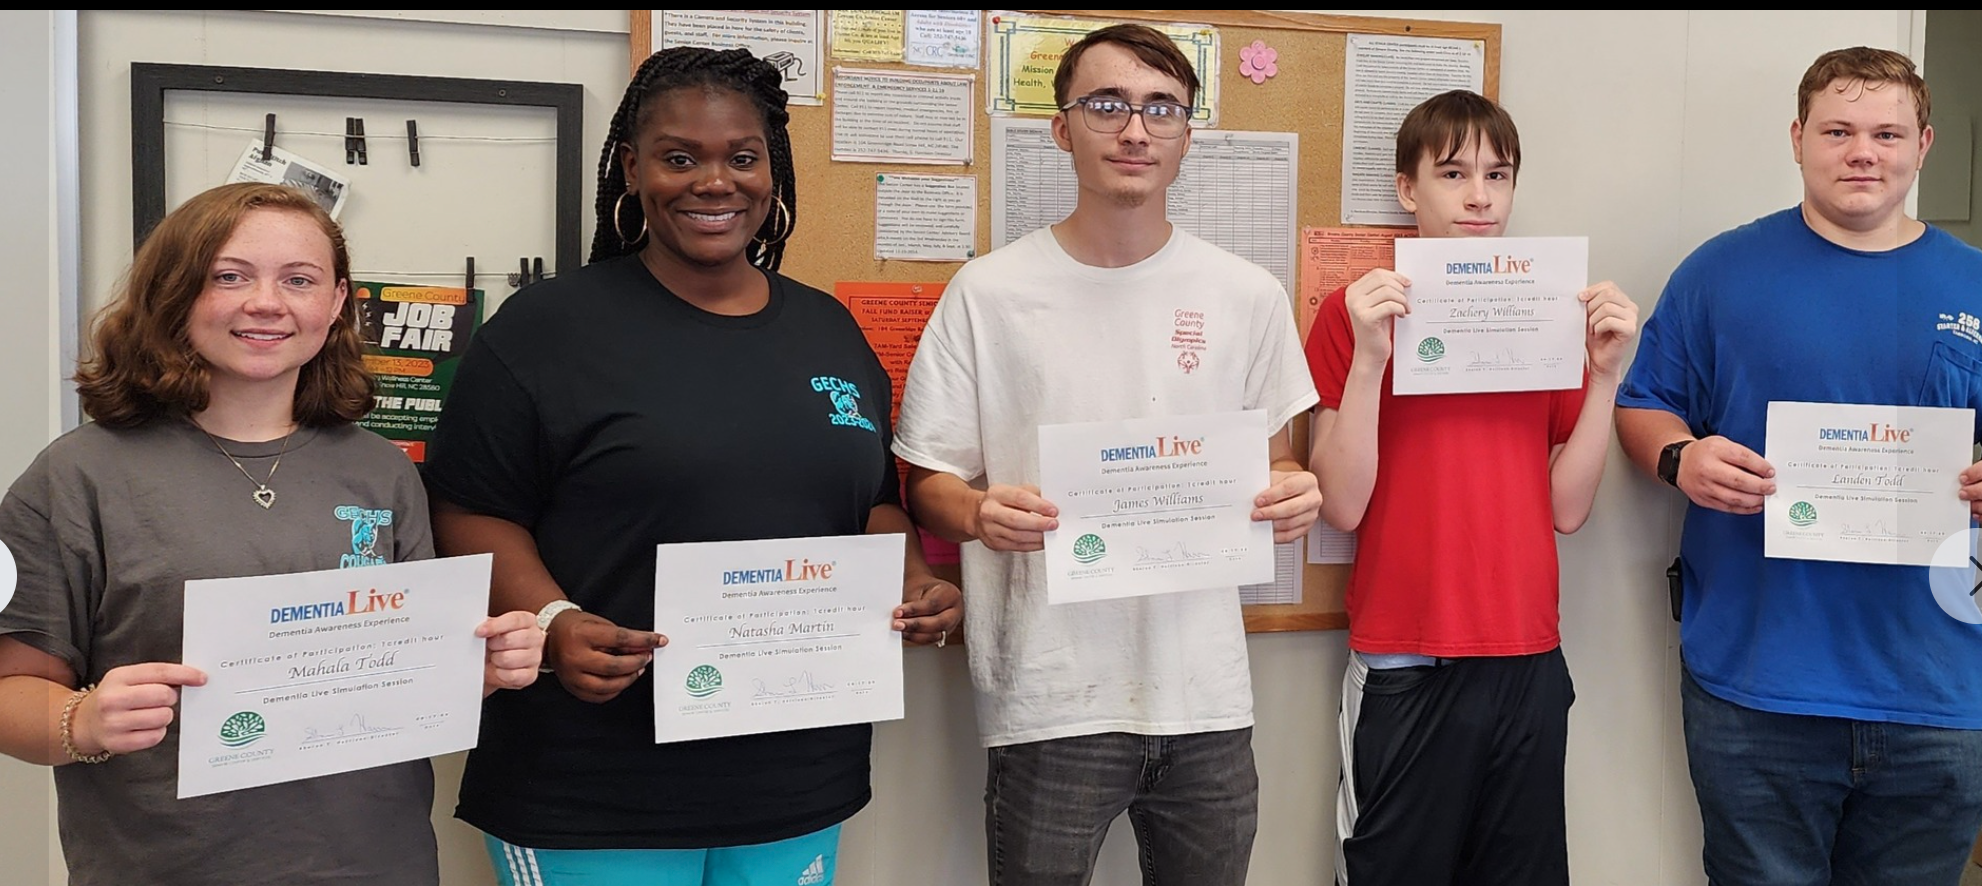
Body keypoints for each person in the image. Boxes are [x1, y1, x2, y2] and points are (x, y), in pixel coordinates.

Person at [419, 46, 963, 886]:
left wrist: (919, 582)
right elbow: (468, 510)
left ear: (771, 171)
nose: (715, 182)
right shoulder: (545, 332)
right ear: (633, 170)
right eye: (681, 158)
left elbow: (867, 510)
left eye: (742, 158)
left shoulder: (828, 333)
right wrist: (557, 619)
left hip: (795, 772)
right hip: (593, 785)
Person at [0, 181, 545, 886]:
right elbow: (14, 692)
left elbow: (406, 681)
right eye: (229, 276)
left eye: (299, 279)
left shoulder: (382, 473)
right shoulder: (76, 478)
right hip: (165, 866)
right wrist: (84, 721)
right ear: (176, 292)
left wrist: (485, 668)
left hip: (378, 863)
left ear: (337, 303)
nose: (266, 302)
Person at [892, 23, 1322, 886]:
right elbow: (923, 478)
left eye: (1162, 108)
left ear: (1186, 135)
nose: (1136, 130)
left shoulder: (1247, 295)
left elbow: (1276, 462)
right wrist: (975, 511)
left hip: (1205, 694)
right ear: (1061, 129)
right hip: (1049, 695)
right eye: (1108, 105)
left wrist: (1288, 492)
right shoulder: (990, 291)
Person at [1616, 46, 1982, 885]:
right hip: (1758, 685)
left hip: (1938, 689)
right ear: (1797, 138)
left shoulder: (1975, 285)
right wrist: (1680, 457)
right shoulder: (1719, 274)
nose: (1864, 151)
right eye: (1839, 130)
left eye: (1888, 132)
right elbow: (1642, 405)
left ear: (1922, 144)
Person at [1305, 90, 1639, 885]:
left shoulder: (1553, 311)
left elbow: (1567, 509)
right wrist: (1369, 358)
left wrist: (1604, 381)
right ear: (1406, 188)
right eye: (1453, 173)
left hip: (1526, 653)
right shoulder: (1353, 314)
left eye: (1499, 173)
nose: (1480, 195)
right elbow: (1342, 504)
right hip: (1404, 658)